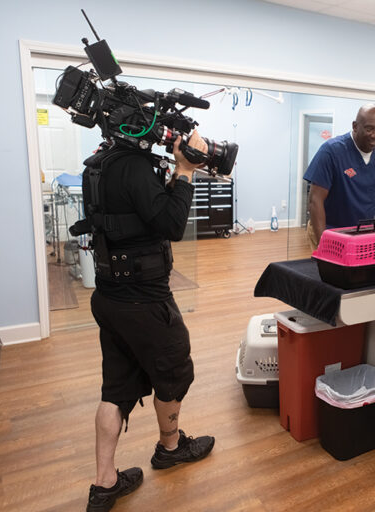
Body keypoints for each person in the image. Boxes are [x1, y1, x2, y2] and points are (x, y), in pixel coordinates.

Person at [81, 132, 215, 512]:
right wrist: (186, 171)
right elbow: (172, 223)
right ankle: (170, 448)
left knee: (116, 388)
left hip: (110, 295)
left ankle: (104, 483)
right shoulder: (135, 165)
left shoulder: (102, 162)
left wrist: (173, 173)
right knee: (173, 369)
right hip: (144, 299)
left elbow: (146, 210)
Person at [304, 103, 375, 249]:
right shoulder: (331, 151)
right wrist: (324, 244)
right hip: (329, 229)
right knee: (331, 271)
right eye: (369, 129)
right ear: (355, 126)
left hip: (363, 231)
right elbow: (315, 200)